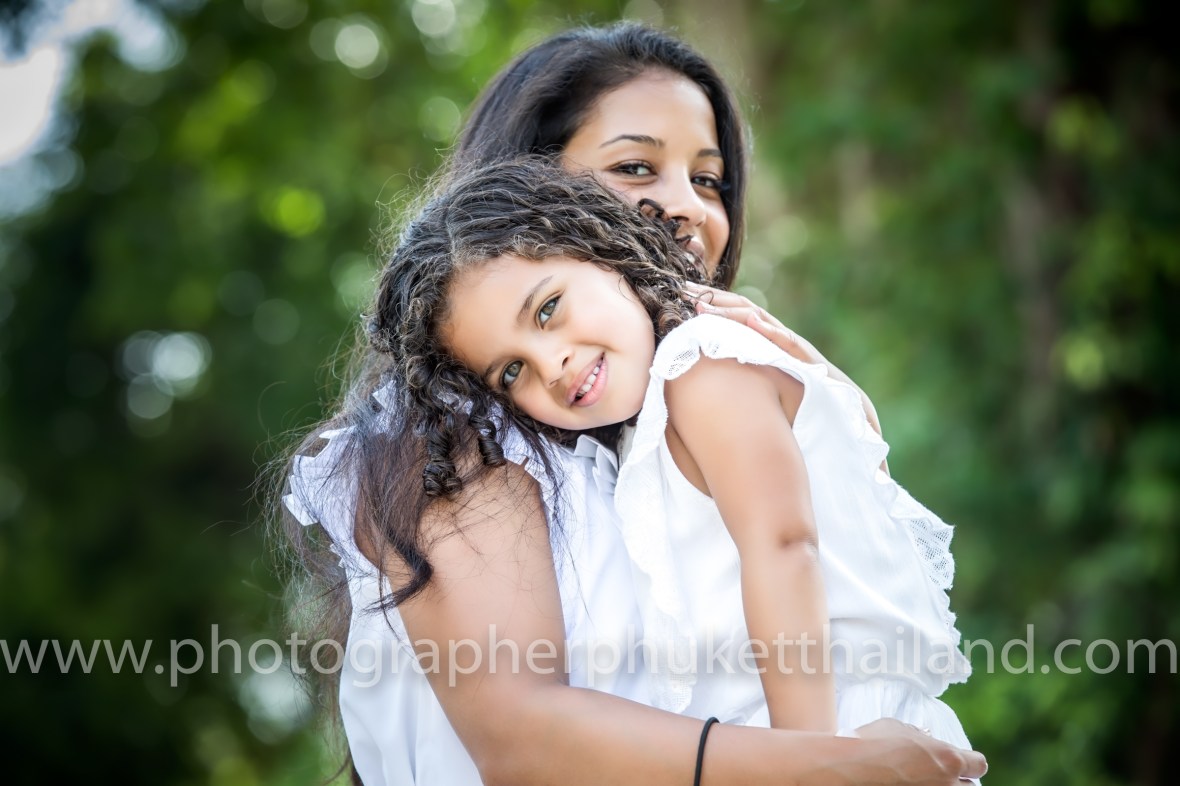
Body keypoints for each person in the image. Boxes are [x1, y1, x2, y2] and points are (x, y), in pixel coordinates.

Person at [281, 22, 986, 785]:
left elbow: (829, 559)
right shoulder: (454, 437)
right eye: (635, 167)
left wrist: (825, 395)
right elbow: (521, 734)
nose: (686, 207)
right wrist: (819, 763)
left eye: (709, 179)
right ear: (531, 192)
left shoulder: (676, 393)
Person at [372, 155, 975, 756]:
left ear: (601, 251)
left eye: (548, 309)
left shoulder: (700, 365)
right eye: (511, 371)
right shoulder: (645, 427)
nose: (550, 365)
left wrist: (812, 762)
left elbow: (785, 549)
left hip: (840, 733)